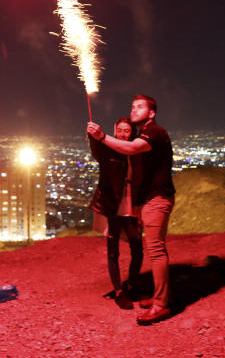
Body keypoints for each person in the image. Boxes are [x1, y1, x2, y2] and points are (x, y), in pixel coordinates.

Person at [87, 94, 175, 325]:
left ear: (152, 113)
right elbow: (106, 153)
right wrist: (95, 139)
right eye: (132, 107)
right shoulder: (148, 133)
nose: (134, 110)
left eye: (140, 107)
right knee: (149, 249)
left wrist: (102, 136)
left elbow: (132, 148)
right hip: (145, 200)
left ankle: (161, 304)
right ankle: (157, 296)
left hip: (157, 198)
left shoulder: (154, 132)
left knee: (155, 250)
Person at [89, 117, 143, 307]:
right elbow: (97, 150)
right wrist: (92, 135)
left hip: (131, 204)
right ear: (114, 130)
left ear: (132, 132)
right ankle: (119, 290)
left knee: (137, 247)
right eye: (120, 130)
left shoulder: (137, 152)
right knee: (113, 251)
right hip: (113, 205)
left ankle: (132, 284)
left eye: (127, 130)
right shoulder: (108, 148)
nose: (123, 134)